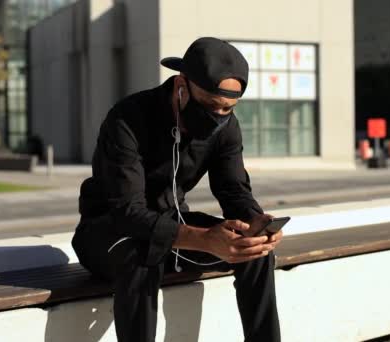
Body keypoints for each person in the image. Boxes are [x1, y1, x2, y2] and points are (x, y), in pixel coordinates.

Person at [72, 37, 282, 342]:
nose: (219, 116)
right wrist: (205, 239)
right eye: (211, 105)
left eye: (228, 109)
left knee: (255, 253)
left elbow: (233, 191)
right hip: (107, 234)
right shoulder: (128, 118)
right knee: (143, 255)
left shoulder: (227, 126)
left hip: (174, 228)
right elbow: (127, 212)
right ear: (182, 85)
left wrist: (256, 224)